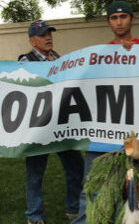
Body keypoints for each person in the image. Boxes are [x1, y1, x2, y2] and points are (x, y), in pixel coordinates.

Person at [71, 1, 139, 224]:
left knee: (128, 190)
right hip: (101, 136)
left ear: (132, 19)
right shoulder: (99, 56)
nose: (119, 21)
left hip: (131, 137)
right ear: (109, 22)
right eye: (114, 18)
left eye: (123, 16)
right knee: (92, 189)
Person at [19, 20, 84, 224]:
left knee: (76, 167)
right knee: (35, 172)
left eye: (49, 33)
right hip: (39, 127)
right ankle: (34, 215)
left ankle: (73, 208)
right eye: (42, 35)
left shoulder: (60, 59)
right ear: (32, 40)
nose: (48, 37)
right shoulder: (25, 61)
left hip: (63, 125)